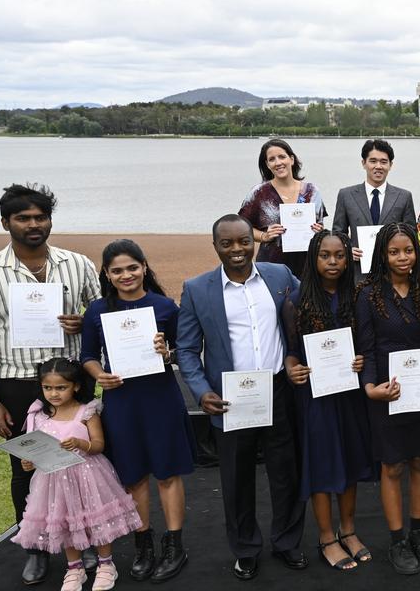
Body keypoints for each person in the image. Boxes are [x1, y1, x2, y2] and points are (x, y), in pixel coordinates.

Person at [0, 183, 101, 585]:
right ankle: (36, 547)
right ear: (5, 222)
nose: (33, 224)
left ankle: (86, 540)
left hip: (73, 382)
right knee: (28, 469)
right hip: (17, 383)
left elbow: (101, 309)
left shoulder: (76, 263)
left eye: (41, 217)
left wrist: (84, 321)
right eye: (23, 218)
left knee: (81, 466)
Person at [176, 214, 307, 580]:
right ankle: (246, 548)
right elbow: (186, 349)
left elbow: (310, 305)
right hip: (229, 398)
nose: (237, 250)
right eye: (227, 243)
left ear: (254, 241)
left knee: (286, 473)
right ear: (215, 245)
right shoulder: (197, 289)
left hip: (278, 389)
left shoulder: (278, 276)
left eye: (244, 242)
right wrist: (201, 392)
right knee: (236, 478)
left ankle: (286, 542)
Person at [80, 240, 193, 582]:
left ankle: (175, 545)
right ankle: (143, 542)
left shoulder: (164, 307)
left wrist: (166, 351)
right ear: (107, 275)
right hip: (121, 402)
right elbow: (87, 356)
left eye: (132, 267)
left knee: (168, 473)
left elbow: (182, 351)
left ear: (144, 267)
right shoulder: (97, 310)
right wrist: (100, 376)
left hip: (160, 399)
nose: (126, 275)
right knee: (133, 476)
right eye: (117, 270)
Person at [281, 231, 374, 571]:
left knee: (348, 462)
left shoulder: (359, 295)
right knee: (322, 464)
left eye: (339, 255)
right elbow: (291, 352)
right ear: (313, 258)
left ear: (349, 258)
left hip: (349, 393)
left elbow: (367, 341)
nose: (333, 262)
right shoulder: (297, 299)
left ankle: (348, 530)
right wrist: (293, 369)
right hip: (316, 396)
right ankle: (325, 537)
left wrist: (362, 359)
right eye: (325, 255)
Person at [356, 223, 420, 575]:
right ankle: (397, 540)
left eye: (408, 250)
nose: (402, 257)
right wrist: (370, 388)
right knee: (392, 466)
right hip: (386, 392)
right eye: (394, 251)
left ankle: (418, 531)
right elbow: (365, 347)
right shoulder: (367, 294)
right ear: (383, 254)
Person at [12, 357, 143, 591]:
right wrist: (28, 463)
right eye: (48, 388)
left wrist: (82, 445)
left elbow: (99, 445)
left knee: (96, 520)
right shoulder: (38, 415)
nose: (54, 393)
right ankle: (74, 568)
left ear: (76, 386)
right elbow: (34, 450)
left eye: (61, 387)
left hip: (89, 475)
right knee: (65, 522)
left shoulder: (87, 411)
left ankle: (106, 564)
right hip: (53, 480)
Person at [238, 138, 326, 278]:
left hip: (308, 267)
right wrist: (264, 236)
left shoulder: (312, 191)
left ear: (291, 159)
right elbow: (241, 228)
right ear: (267, 165)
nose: (278, 162)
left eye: (282, 157)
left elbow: (320, 227)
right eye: (272, 159)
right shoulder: (258, 193)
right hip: (271, 268)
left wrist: (319, 232)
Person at [331, 139, 418, 280]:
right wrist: (346, 250)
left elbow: (411, 234)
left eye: (384, 162)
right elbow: (338, 232)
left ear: (391, 165)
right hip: (358, 273)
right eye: (373, 161)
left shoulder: (404, 197)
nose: (378, 166)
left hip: (393, 274)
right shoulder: (346, 195)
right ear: (363, 163)